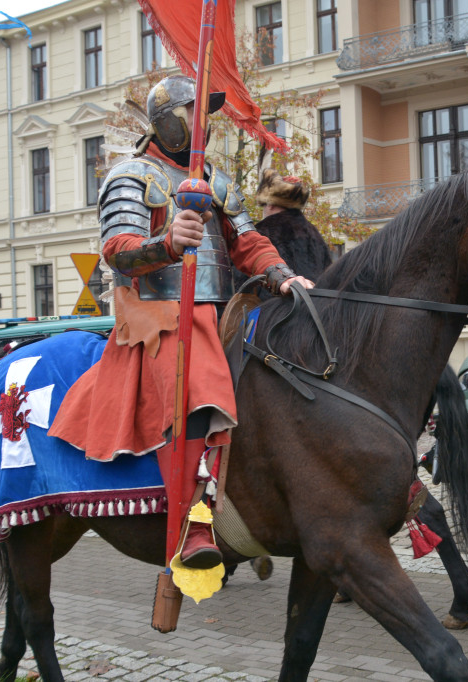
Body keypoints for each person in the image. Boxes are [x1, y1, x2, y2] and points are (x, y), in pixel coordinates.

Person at [49, 75, 313, 570]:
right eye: (195, 111)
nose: (204, 122)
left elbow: (247, 242)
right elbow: (117, 254)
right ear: (168, 118)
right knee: (197, 379)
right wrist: (168, 243)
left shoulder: (216, 180)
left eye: (207, 112)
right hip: (156, 311)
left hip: (219, 305)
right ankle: (194, 523)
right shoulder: (131, 175)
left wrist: (282, 275)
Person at [254, 169, 332, 285]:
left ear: (270, 204)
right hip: (315, 301)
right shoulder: (313, 232)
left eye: (264, 205)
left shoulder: (263, 231)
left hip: (276, 301)